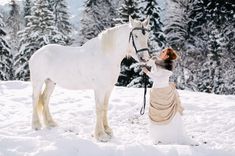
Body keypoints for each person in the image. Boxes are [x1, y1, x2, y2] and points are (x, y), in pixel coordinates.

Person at [142, 48, 197, 145]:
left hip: (163, 92)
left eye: (163, 52)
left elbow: (158, 79)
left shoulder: (167, 66)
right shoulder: (158, 62)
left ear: (167, 56)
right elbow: (148, 61)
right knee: (157, 114)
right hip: (155, 92)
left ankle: (169, 137)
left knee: (168, 114)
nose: (161, 52)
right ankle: (159, 136)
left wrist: (147, 72)